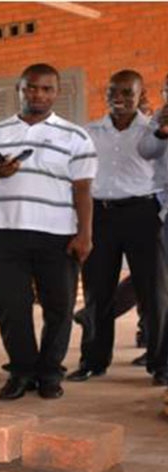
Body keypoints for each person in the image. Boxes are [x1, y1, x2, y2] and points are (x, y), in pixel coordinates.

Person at [0, 63, 97, 400]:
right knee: (11, 309)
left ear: (56, 92)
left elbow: (82, 190)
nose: (38, 94)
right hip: (6, 233)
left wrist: (85, 234)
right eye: (31, 88)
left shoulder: (76, 136)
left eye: (46, 89)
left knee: (59, 307)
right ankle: (22, 372)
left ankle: (50, 373)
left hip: (57, 235)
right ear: (19, 89)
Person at [67, 70, 168, 385]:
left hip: (143, 213)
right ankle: (93, 361)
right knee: (97, 290)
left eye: (127, 92)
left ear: (140, 95)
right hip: (100, 215)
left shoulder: (153, 131)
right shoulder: (89, 132)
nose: (120, 98)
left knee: (154, 292)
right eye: (113, 92)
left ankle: (160, 364)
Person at [136, 71, 168, 385]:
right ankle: (162, 362)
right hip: (164, 212)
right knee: (161, 292)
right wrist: (161, 130)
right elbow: (145, 150)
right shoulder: (158, 119)